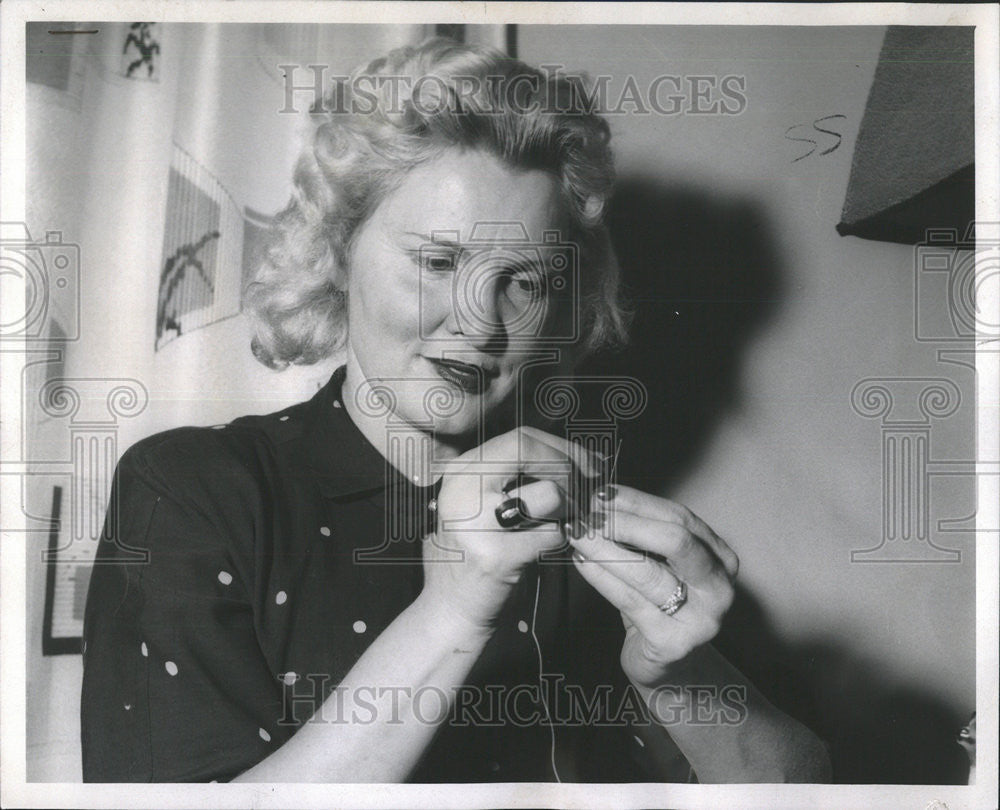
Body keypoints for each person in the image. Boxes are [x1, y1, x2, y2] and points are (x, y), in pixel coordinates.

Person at [81, 37, 831, 783]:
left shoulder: (580, 508)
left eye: (524, 281)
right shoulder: (193, 489)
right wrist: (452, 611)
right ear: (339, 254)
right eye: (438, 262)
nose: (479, 323)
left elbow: (809, 788)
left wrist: (681, 678)